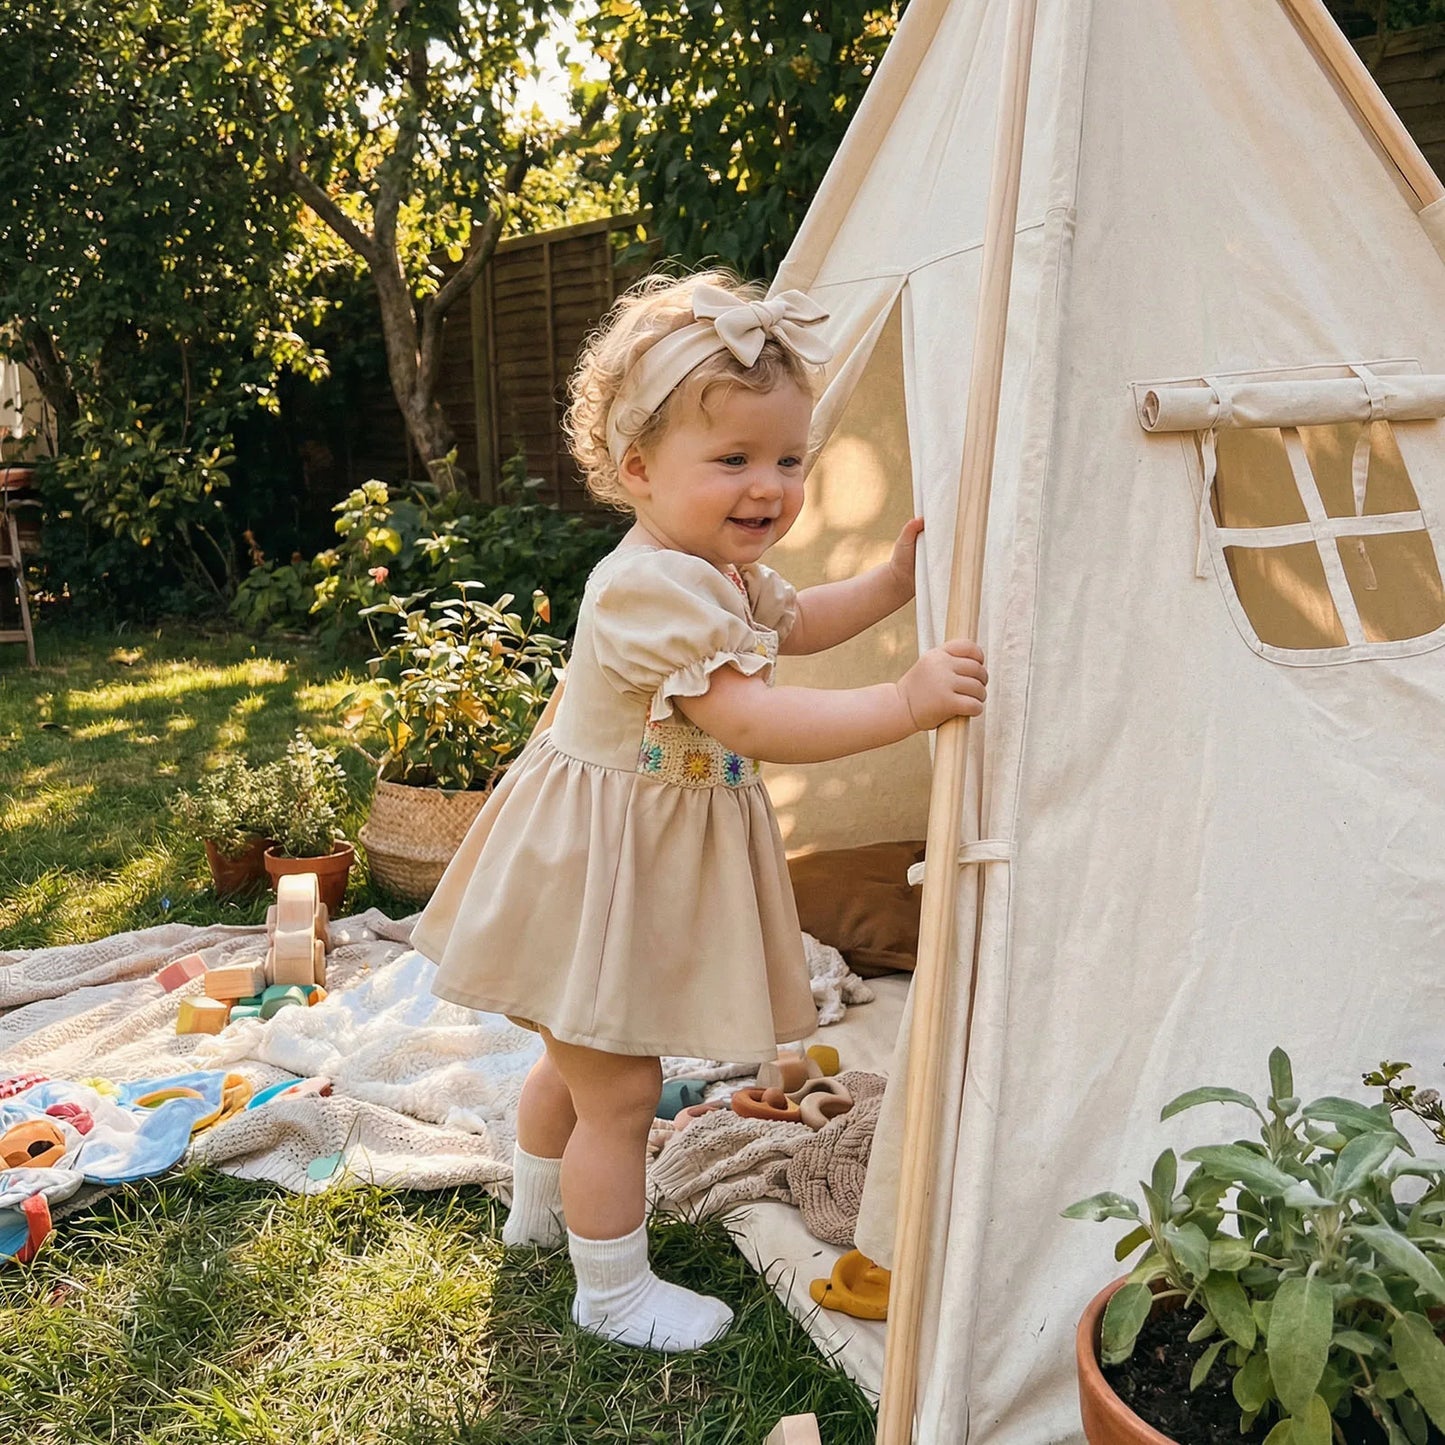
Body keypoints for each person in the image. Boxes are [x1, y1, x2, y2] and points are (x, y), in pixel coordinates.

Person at [412, 269, 988, 1353]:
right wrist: (903, 701)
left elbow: (801, 618)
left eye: (787, 459)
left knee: (574, 1060)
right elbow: (749, 716)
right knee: (619, 1088)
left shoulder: (714, 567)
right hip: (590, 865)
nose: (767, 486)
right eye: (731, 460)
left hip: (611, 859)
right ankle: (610, 1287)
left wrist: (890, 582)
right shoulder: (648, 589)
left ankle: (538, 1217)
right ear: (636, 467)